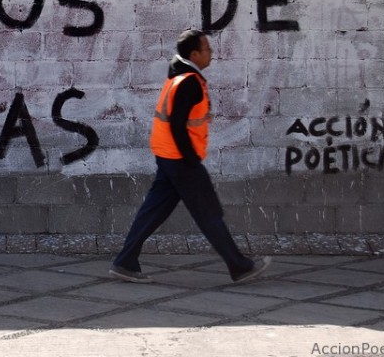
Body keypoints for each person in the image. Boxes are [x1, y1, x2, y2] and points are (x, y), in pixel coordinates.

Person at [109, 29, 271, 284]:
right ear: (194, 54)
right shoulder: (189, 82)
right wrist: (191, 161)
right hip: (181, 160)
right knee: (208, 213)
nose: (211, 53)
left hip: (167, 155)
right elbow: (177, 125)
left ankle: (125, 261)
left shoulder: (178, 76)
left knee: (153, 211)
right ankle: (240, 266)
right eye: (207, 49)